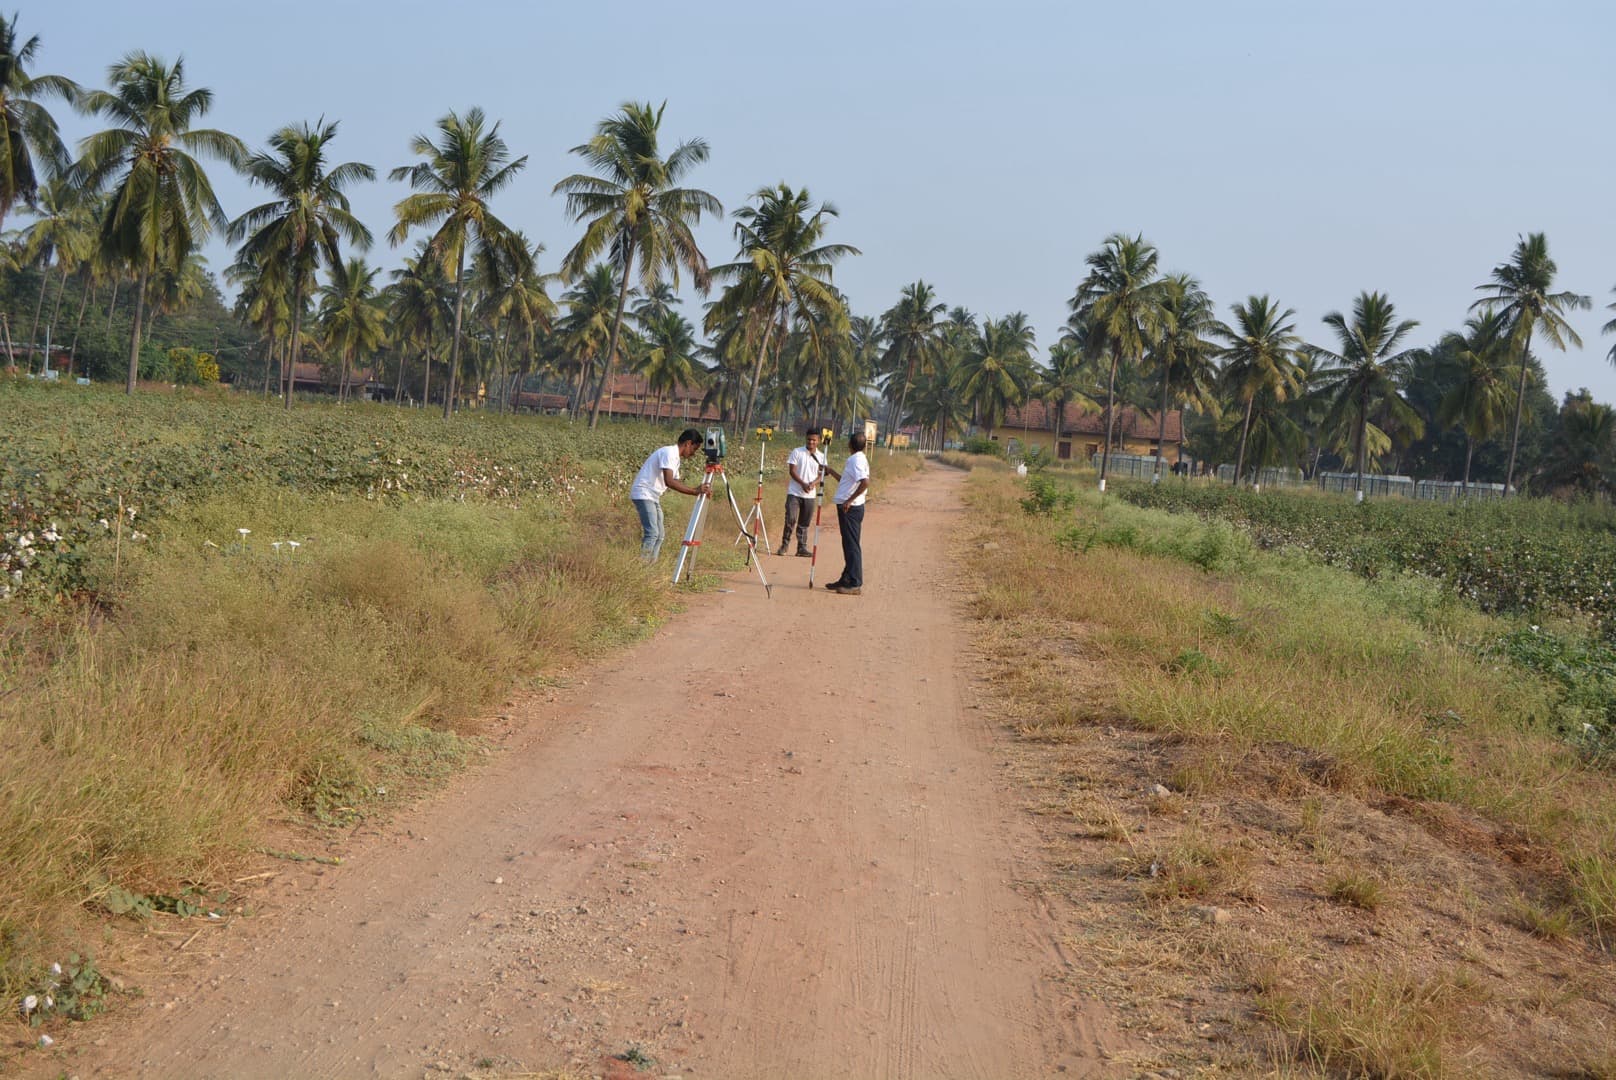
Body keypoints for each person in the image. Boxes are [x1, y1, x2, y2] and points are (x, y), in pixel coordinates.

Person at [629, 429, 710, 560]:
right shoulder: (669, 453)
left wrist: (696, 489)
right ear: (688, 443)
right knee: (652, 533)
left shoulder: (675, 457)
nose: (693, 454)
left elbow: (675, 480)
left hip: (652, 496)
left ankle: (651, 565)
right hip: (644, 493)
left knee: (660, 535)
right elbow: (670, 481)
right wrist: (695, 491)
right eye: (694, 449)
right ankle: (642, 566)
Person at [820, 431, 870, 595]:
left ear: (850, 444)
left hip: (851, 508)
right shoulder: (858, 459)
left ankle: (855, 583)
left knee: (851, 545)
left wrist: (849, 500)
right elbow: (847, 481)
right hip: (850, 506)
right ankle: (846, 578)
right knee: (848, 544)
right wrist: (831, 471)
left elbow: (865, 482)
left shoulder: (856, 460)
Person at [777, 428, 822, 556]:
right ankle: (784, 545)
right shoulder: (797, 452)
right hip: (795, 492)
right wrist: (802, 484)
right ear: (805, 439)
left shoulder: (821, 456)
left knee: (804, 522)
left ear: (818, 441)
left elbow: (821, 474)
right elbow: (792, 471)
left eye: (814, 440)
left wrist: (813, 483)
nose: (811, 442)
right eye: (809, 439)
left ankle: (801, 548)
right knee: (790, 519)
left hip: (810, 494)